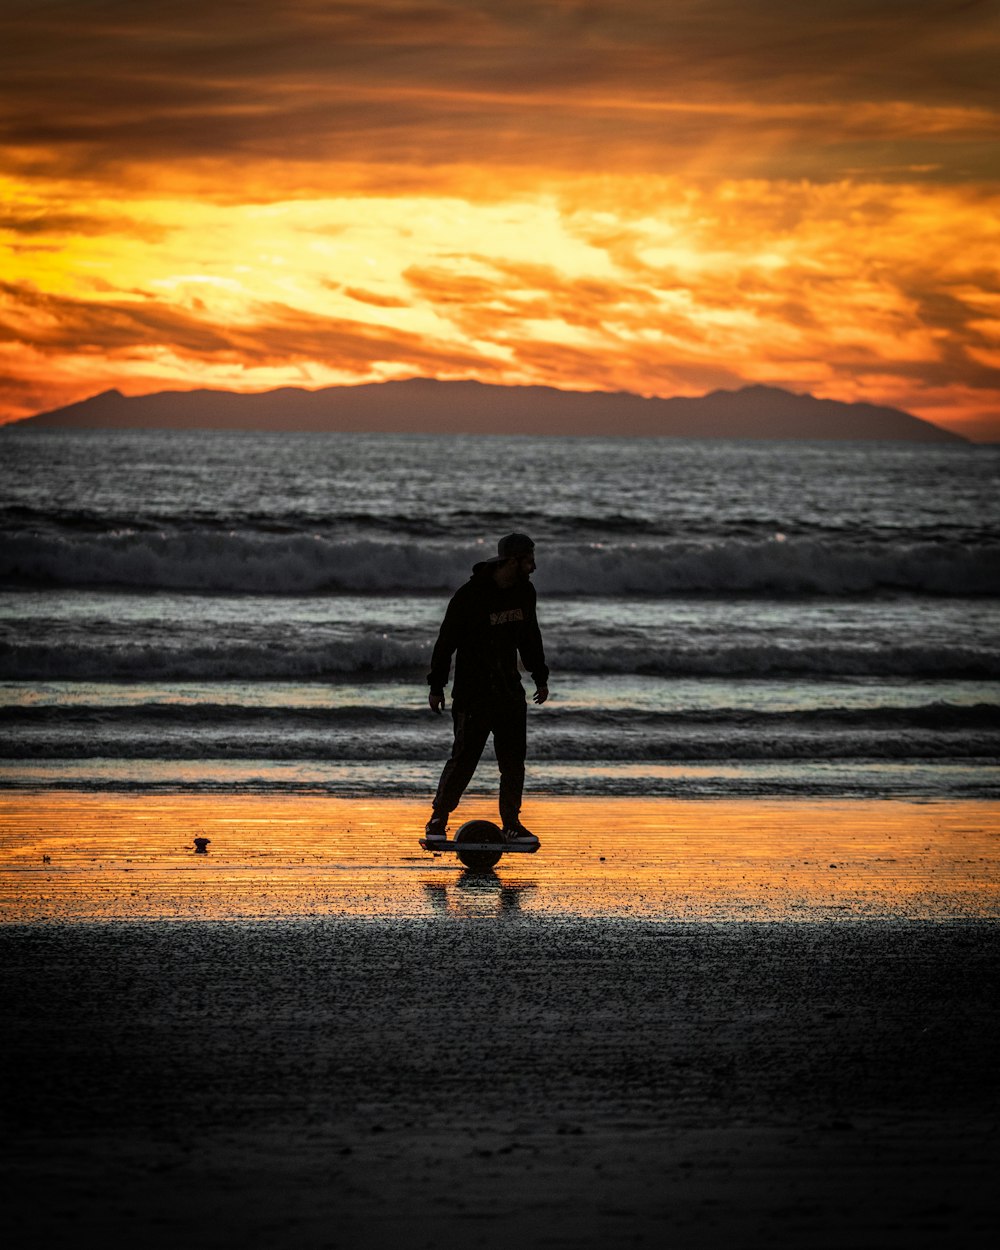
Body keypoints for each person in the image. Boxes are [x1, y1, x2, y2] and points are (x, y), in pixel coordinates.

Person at [425, 532, 549, 847]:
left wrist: (540, 675)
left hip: (509, 691)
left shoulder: (525, 593)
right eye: (529, 560)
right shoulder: (470, 595)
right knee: (464, 759)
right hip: (473, 694)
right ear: (512, 561)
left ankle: (511, 823)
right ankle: (439, 817)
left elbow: (529, 637)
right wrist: (437, 684)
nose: (534, 567)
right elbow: (446, 642)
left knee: (513, 762)